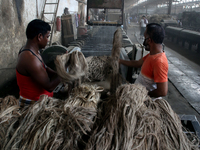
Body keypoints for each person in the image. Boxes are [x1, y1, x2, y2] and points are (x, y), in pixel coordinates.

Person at [16, 19, 61, 107]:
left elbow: (45, 68)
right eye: (47, 37)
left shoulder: (34, 51)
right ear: (39, 36)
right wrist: (64, 71)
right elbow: (49, 86)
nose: (48, 40)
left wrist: (58, 73)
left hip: (40, 102)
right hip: (32, 105)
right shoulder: (29, 58)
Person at [119, 23, 168, 98]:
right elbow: (138, 63)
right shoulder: (151, 55)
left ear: (149, 40)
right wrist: (120, 61)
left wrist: (142, 95)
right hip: (138, 95)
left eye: (144, 38)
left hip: (145, 101)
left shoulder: (159, 62)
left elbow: (162, 91)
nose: (143, 41)